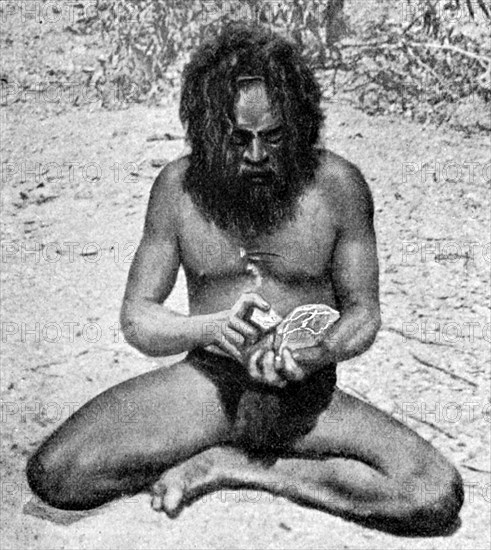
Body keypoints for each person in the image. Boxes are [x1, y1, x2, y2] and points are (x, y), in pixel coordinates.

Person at [27, 23, 463, 535]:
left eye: (273, 138)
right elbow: (138, 317)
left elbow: (363, 313)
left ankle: (233, 467)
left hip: (304, 399)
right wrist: (209, 329)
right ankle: (217, 446)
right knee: (57, 474)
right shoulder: (177, 189)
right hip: (209, 384)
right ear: (210, 131)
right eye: (238, 140)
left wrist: (318, 354)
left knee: (433, 492)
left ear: (298, 127)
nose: (256, 156)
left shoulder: (339, 186)